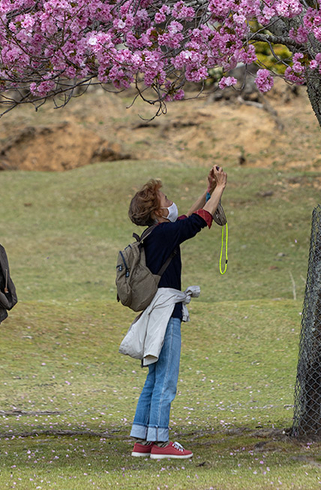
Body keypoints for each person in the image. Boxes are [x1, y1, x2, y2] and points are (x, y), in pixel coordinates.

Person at [127, 165, 228, 461]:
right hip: (166, 313)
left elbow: (187, 219)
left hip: (155, 311)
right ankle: (160, 442)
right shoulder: (165, 233)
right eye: (166, 198)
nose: (171, 202)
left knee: (155, 377)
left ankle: (142, 440)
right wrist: (220, 187)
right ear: (158, 212)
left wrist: (208, 191)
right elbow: (199, 221)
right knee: (166, 378)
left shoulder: (156, 233)